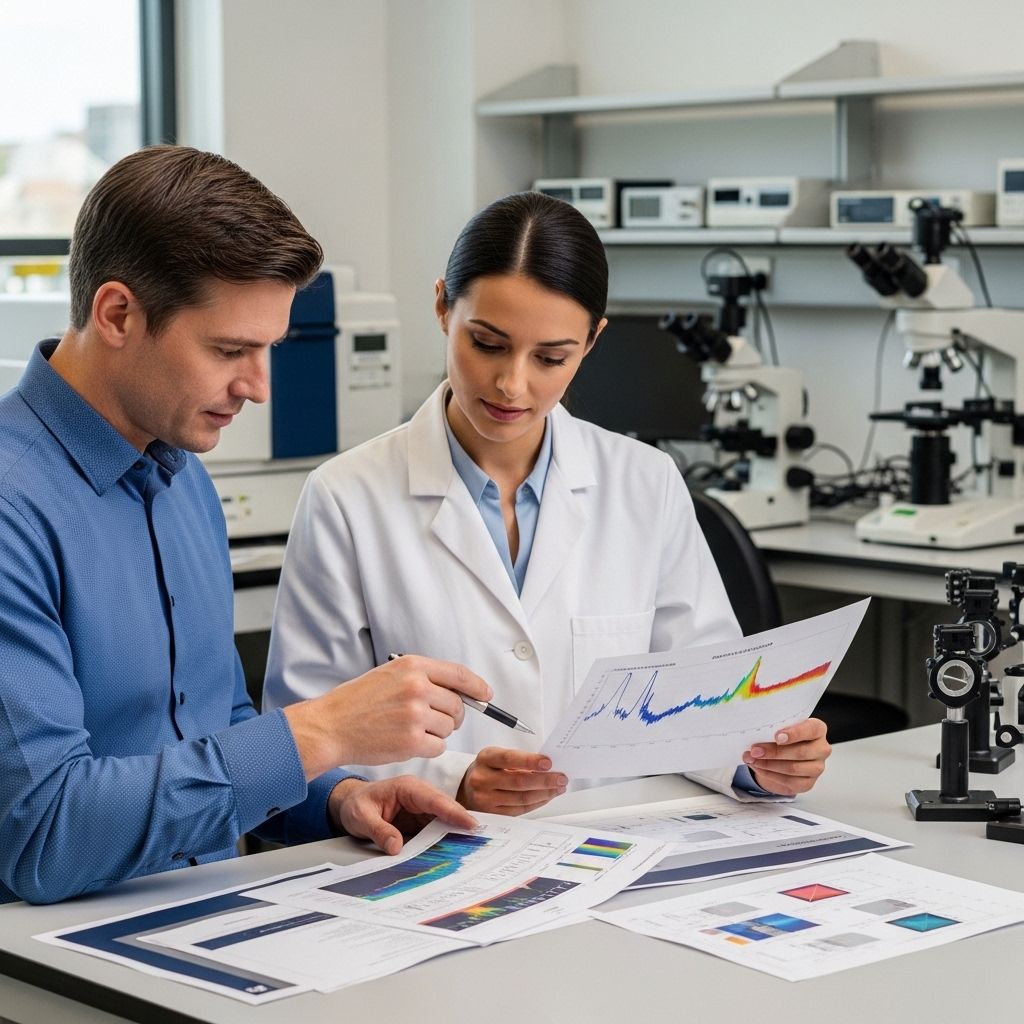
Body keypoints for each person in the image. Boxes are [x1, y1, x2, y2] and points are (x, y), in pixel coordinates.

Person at [0, 146, 495, 906]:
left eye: (268, 349)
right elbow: (41, 833)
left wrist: (331, 798)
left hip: (202, 914)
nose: (257, 387)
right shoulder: (13, 507)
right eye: (230, 349)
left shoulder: (184, 479)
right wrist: (318, 732)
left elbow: (217, 721)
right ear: (117, 314)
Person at [264, 190, 831, 815]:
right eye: (487, 344)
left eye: (551, 357)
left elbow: (703, 706)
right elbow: (305, 736)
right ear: (442, 309)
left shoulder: (646, 482)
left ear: (592, 342)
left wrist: (761, 759)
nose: (513, 384)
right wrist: (455, 779)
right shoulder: (347, 497)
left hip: (613, 847)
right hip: (433, 855)